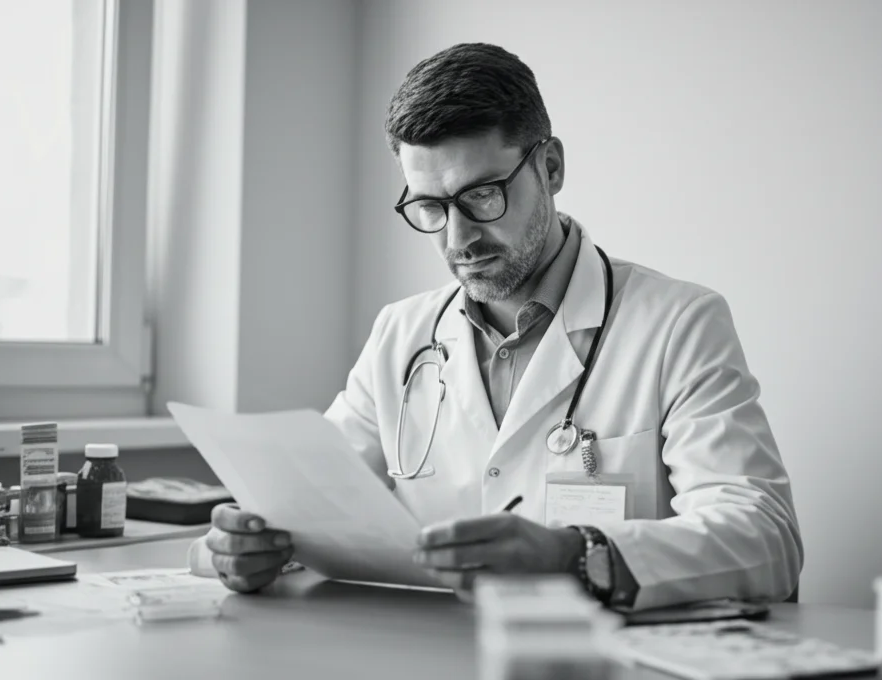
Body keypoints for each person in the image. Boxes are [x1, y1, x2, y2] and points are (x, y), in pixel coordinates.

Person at [189, 42, 802, 611]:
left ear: (550, 167)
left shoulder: (678, 323)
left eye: (482, 196)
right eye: (430, 206)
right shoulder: (401, 335)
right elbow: (308, 506)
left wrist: (573, 555)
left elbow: (765, 538)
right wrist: (242, 547)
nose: (458, 239)